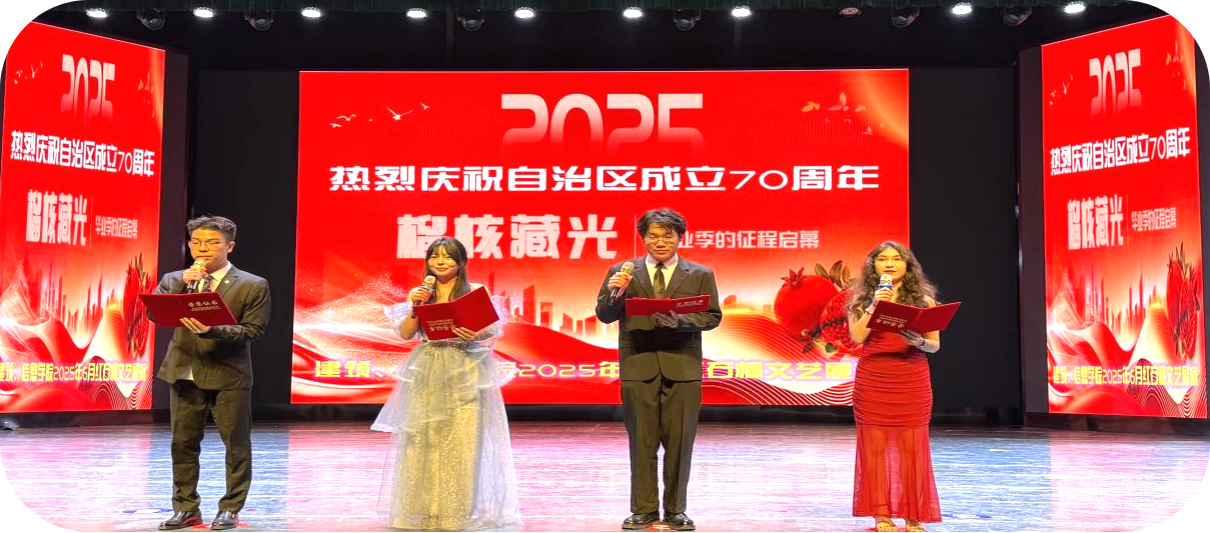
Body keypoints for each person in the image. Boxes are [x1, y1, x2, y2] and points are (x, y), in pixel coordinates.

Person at [373, 237, 520, 530]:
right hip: (428, 369)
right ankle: (424, 508)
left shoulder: (475, 291)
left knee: (464, 441)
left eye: (448, 257)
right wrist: (415, 307)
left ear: (461, 262)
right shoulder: (420, 293)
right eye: (434, 256)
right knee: (423, 439)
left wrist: (474, 334)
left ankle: (457, 510)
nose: (440, 262)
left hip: (465, 368)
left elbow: (490, 329)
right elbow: (406, 333)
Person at [595, 208, 722, 532]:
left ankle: (676, 510)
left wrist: (679, 320)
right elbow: (605, 315)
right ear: (643, 238)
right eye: (653, 236)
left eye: (668, 235)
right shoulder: (622, 271)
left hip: (683, 366)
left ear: (680, 238)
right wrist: (616, 292)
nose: (660, 242)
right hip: (638, 364)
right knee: (642, 441)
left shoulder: (700, 273)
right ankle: (643, 510)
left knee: (680, 442)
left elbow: (712, 317)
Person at [155, 216, 271, 531]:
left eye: (212, 242)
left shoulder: (252, 284)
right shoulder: (174, 279)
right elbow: (155, 311)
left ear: (229, 246)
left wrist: (212, 329)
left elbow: (253, 330)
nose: (203, 248)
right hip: (183, 371)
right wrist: (181, 284)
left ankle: (230, 508)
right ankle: (186, 508)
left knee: (235, 445)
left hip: (229, 374)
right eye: (197, 242)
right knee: (182, 443)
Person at [846, 241, 943, 532]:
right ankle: (882, 516)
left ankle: (913, 516)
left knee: (912, 449)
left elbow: (934, 346)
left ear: (907, 265)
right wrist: (875, 306)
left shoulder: (924, 301)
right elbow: (856, 337)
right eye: (882, 259)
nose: (890, 264)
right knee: (875, 449)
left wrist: (919, 341)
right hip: (874, 379)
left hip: (911, 378)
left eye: (897, 259)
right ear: (873, 266)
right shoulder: (861, 301)